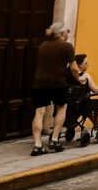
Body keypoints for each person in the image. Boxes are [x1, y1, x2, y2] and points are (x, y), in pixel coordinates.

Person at [30, 22, 79, 156]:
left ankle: (37, 145)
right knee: (61, 108)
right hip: (58, 83)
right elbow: (74, 67)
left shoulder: (43, 46)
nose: (68, 33)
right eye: (67, 31)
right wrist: (78, 78)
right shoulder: (67, 47)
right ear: (63, 34)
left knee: (39, 112)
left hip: (40, 83)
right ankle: (55, 140)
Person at [73, 54, 98, 128]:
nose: (88, 65)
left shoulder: (70, 76)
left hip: (71, 104)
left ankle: (96, 125)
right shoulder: (85, 76)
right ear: (79, 65)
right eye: (86, 63)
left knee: (89, 109)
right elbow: (95, 90)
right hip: (83, 104)